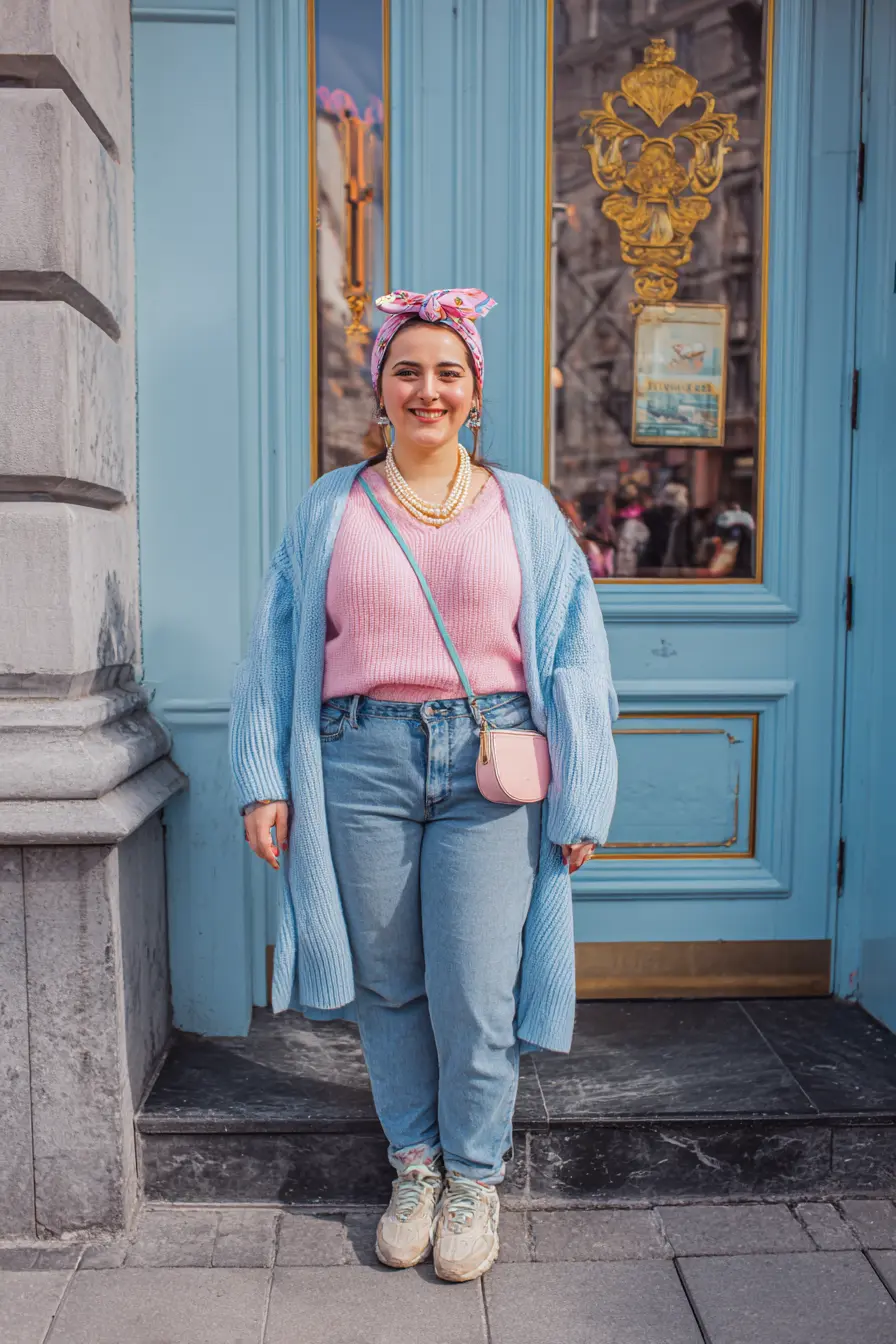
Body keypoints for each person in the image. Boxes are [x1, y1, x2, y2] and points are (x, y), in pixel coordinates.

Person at [230, 287, 618, 1283]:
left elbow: (575, 656)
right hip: (359, 757)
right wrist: (262, 777)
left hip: (490, 768)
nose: (427, 389)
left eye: (448, 371)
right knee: (388, 984)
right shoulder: (330, 506)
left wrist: (583, 796)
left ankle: (475, 1176)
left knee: (477, 992)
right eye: (407, 370)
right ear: (380, 389)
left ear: (474, 390)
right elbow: (277, 649)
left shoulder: (524, 510)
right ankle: (414, 1165)